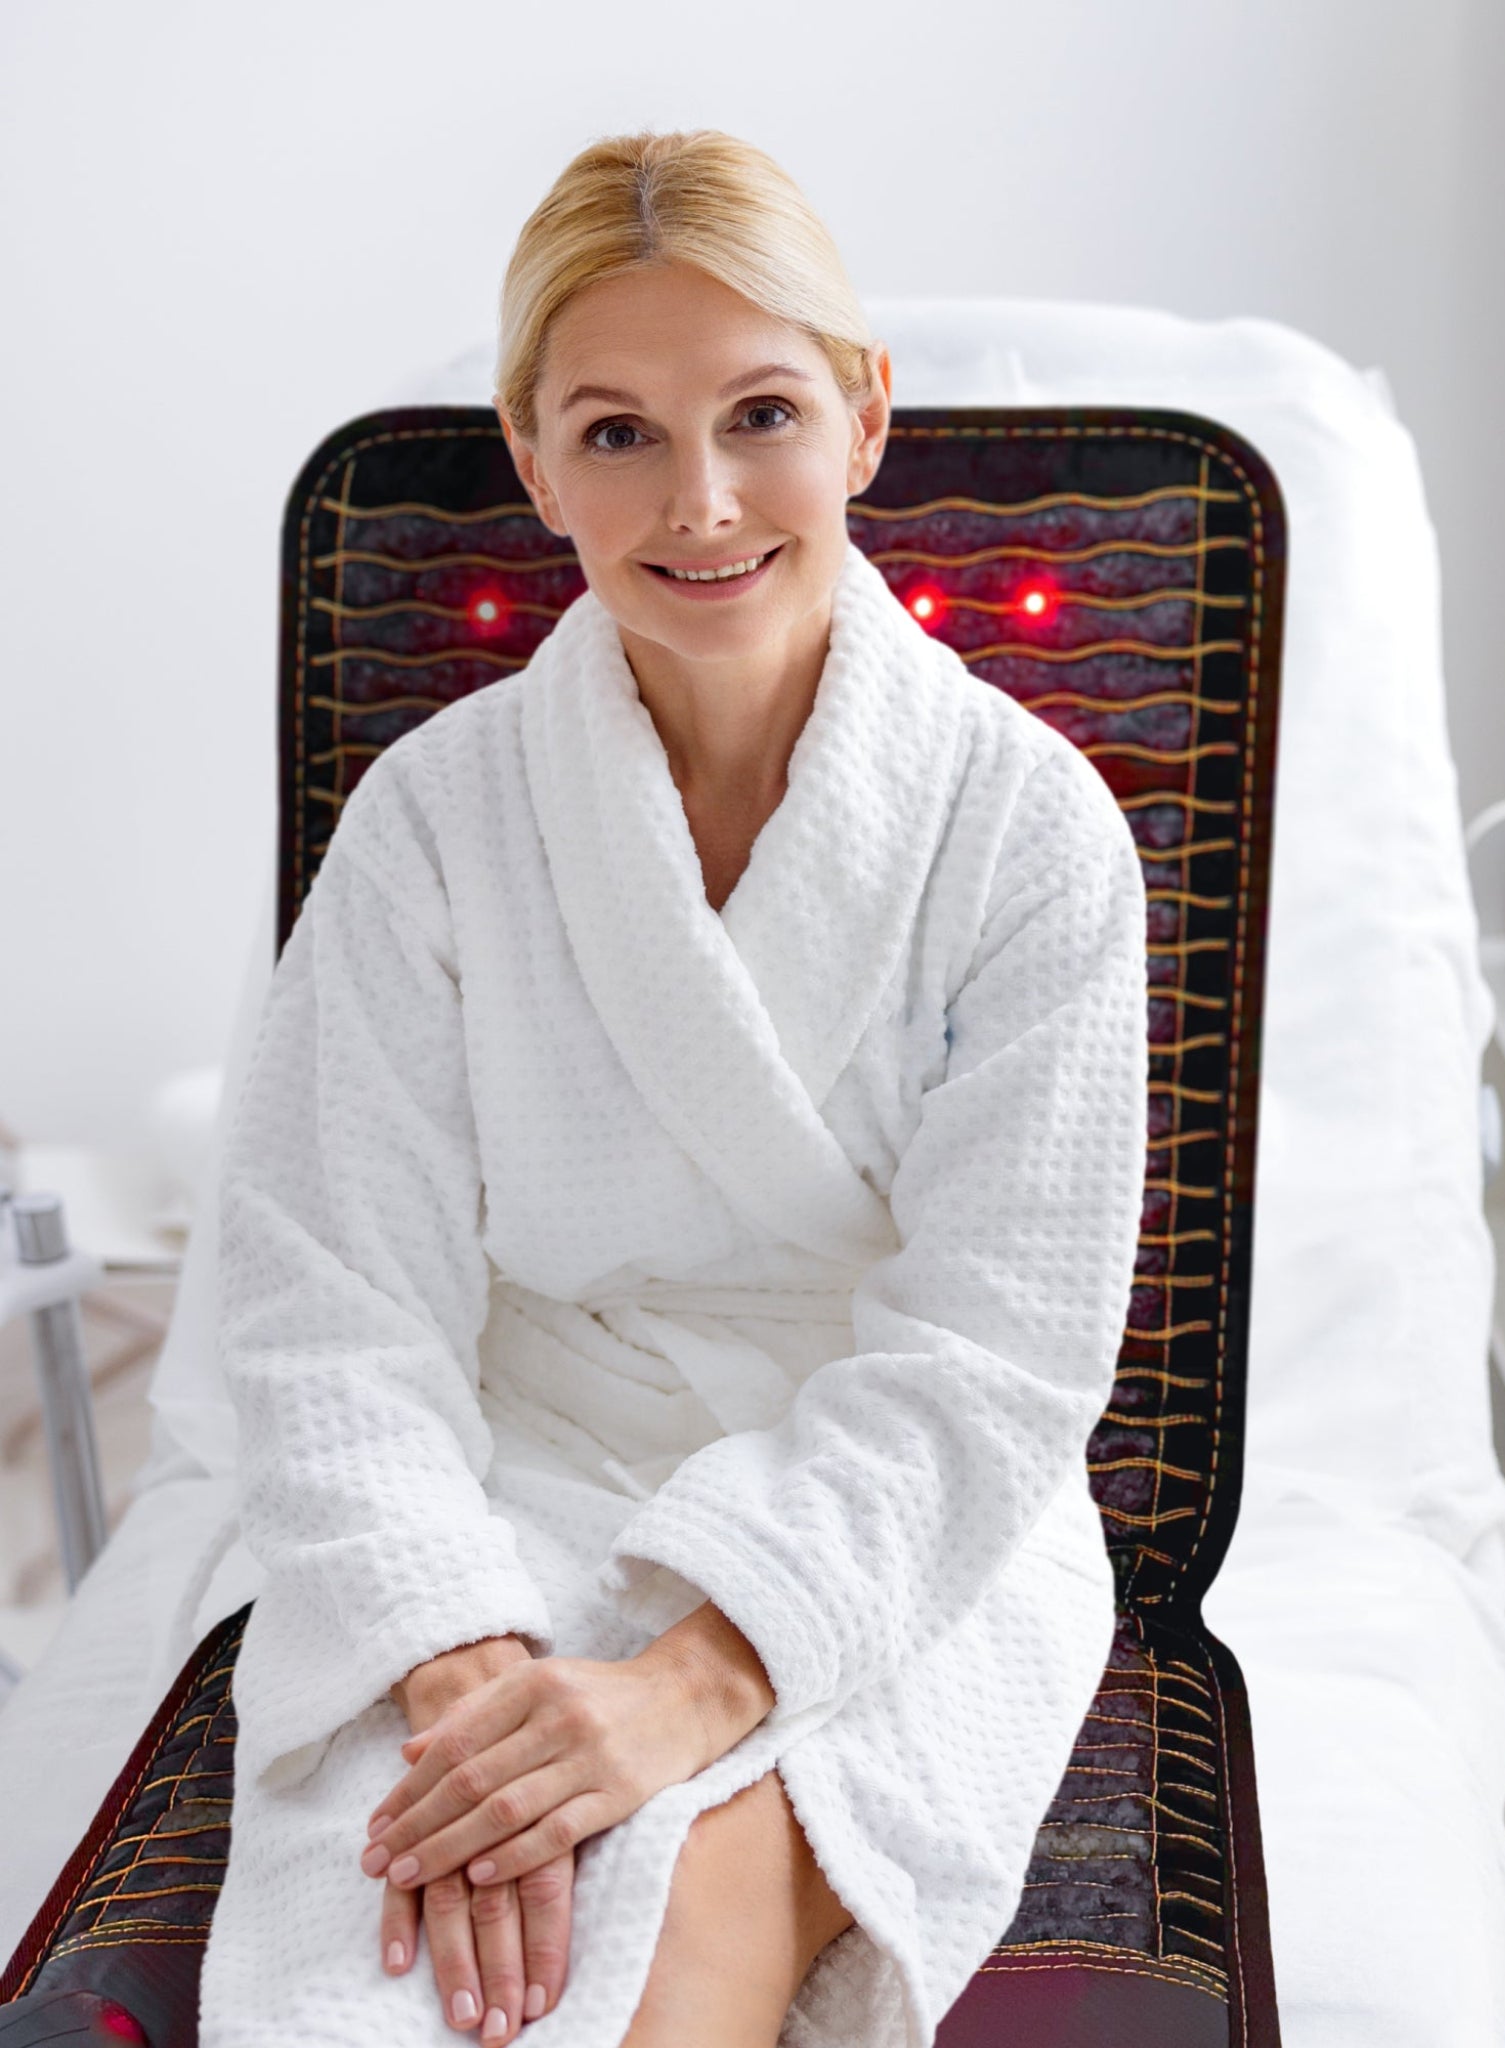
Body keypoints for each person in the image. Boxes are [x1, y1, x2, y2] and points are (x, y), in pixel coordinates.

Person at [193, 130, 1150, 2048]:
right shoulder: (439, 821)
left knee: (672, 1945)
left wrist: (696, 1685)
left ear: (868, 417)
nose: (700, 500)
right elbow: (325, 1294)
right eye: (618, 432)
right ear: (535, 460)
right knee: (381, 1988)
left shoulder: (1028, 827)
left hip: (895, 1521)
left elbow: (1000, 1354)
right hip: (504, 1477)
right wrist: (465, 1678)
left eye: (764, 412)